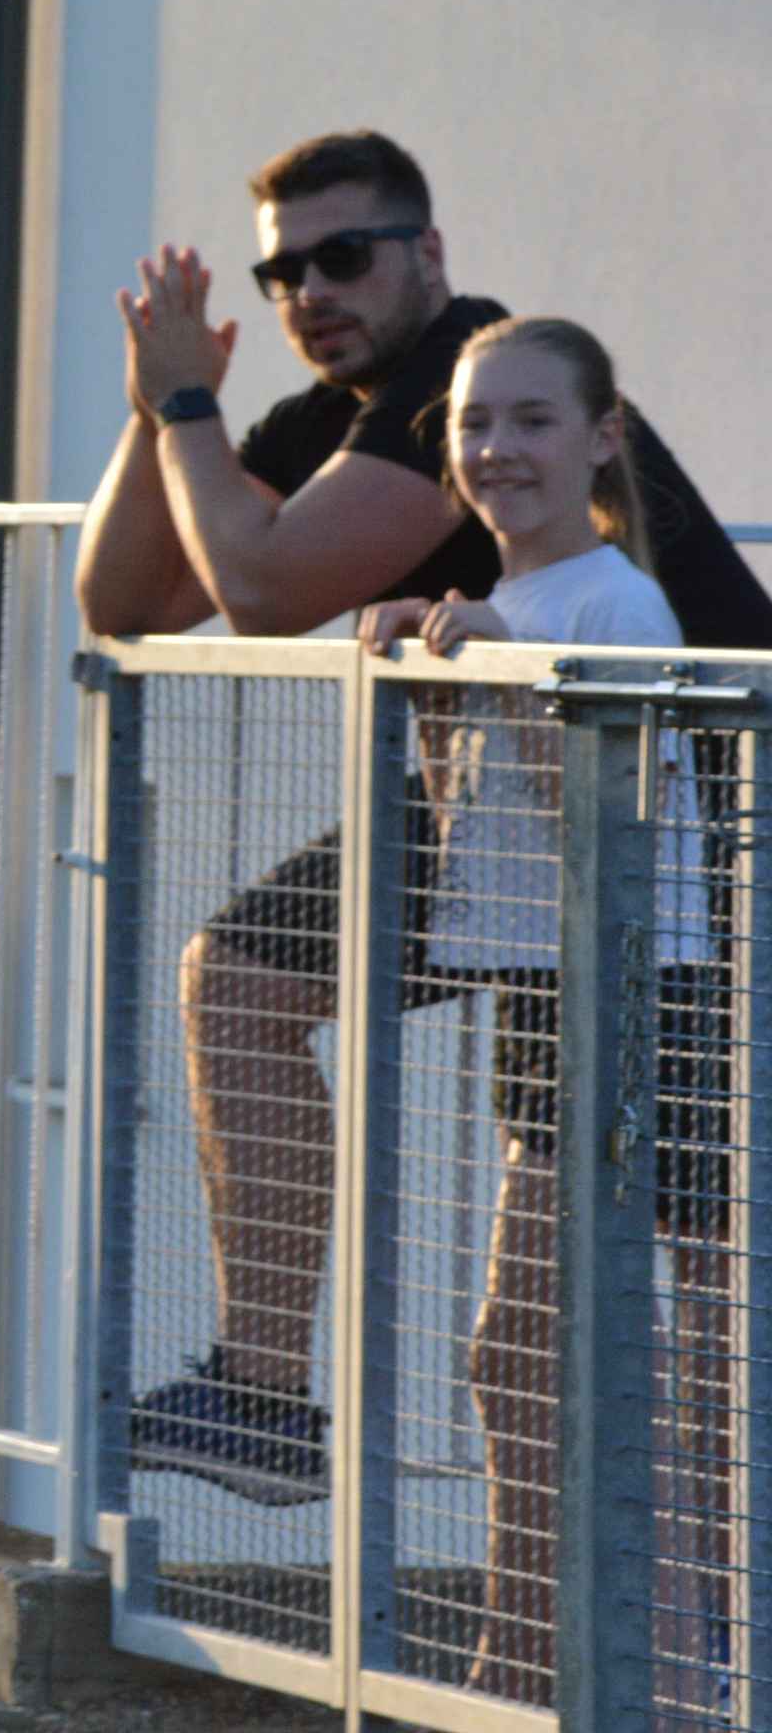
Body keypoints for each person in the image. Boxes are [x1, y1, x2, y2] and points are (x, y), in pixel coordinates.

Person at [74, 131, 772, 1506]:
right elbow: (127, 600)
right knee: (252, 988)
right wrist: (162, 403)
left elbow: (267, 589)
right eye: (284, 269)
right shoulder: (342, 411)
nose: (310, 290)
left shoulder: (459, 375)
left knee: (700, 1289)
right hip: (526, 828)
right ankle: (267, 1398)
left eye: (346, 255)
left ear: (429, 258)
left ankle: (689, 1660)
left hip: (689, 833)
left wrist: (190, 413)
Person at [357, 316, 730, 1706]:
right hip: (544, 994)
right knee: (527, 1358)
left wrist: (504, 658)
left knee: (593, 1358)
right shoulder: (516, 596)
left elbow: (613, 833)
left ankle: (655, 1674)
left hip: (638, 997)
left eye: (529, 421)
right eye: (472, 424)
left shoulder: (614, 603)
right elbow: (480, 831)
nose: (496, 450)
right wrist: (438, 672)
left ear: (601, 438)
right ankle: (529, 1652)